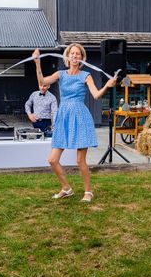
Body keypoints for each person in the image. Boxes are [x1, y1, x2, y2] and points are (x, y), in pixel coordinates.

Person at [32, 44, 117, 203]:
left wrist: (107, 85)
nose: (75, 56)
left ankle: (88, 191)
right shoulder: (61, 74)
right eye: (72, 53)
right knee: (52, 159)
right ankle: (66, 188)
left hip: (80, 118)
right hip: (63, 117)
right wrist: (37, 63)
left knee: (80, 160)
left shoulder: (86, 75)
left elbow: (96, 95)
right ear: (67, 56)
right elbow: (43, 81)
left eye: (78, 54)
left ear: (81, 58)